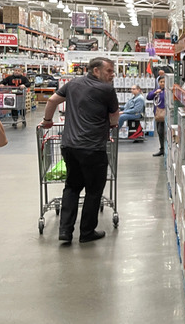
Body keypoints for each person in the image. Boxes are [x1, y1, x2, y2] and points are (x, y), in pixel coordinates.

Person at [41, 57, 119, 244]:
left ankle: (65, 232)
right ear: (96, 71)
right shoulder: (107, 90)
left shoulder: (73, 84)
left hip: (69, 147)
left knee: (72, 187)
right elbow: (114, 116)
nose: (112, 74)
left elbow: (52, 100)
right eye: (109, 71)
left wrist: (47, 121)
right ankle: (86, 232)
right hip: (93, 149)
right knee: (93, 191)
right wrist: (112, 125)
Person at [147, 77, 166, 157]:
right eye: (161, 81)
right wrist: (155, 92)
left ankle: (164, 149)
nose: (162, 83)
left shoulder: (167, 91)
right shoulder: (157, 90)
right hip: (158, 115)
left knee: (161, 131)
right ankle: (162, 149)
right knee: (159, 131)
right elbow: (148, 97)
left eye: (164, 82)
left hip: (164, 114)